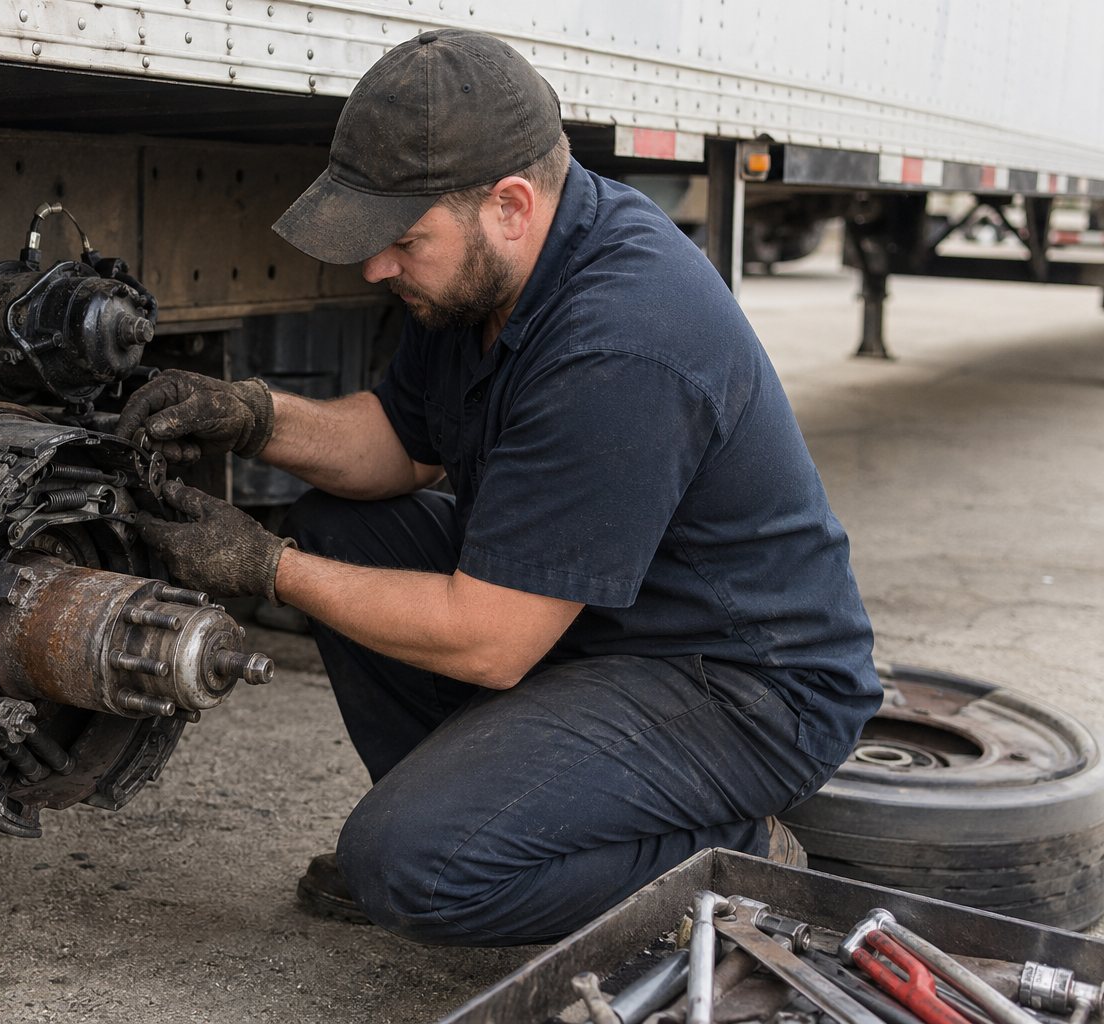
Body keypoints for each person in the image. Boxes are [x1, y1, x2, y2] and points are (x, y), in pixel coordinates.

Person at [118, 28, 880, 947]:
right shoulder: (486, 275)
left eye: (402, 240)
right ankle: (487, 822)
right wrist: (251, 414)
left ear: (511, 206)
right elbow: (398, 445)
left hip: (741, 687)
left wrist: (264, 567)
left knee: (410, 868)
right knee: (345, 528)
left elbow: (490, 642)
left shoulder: (621, 341)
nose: (375, 267)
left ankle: (725, 851)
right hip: (605, 624)